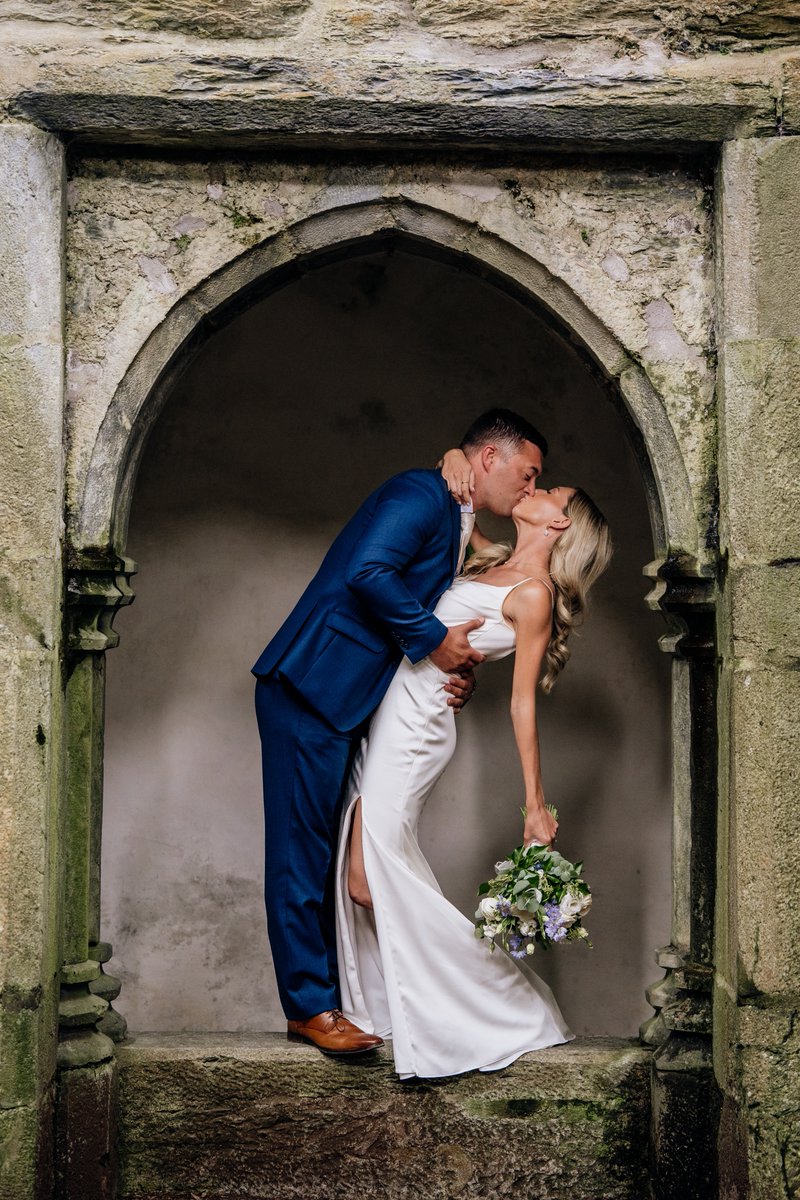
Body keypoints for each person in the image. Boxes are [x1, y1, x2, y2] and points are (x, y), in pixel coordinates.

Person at [252, 410, 548, 1057]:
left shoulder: (458, 517)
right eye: (527, 476)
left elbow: (418, 606)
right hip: (312, 685)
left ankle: (327, 1000)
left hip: (348, 698)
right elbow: (369, 573)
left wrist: (451, 664)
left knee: (327, 858)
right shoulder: (422, 493)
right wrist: (435, 641)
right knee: (301, 854)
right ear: (489, 460)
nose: (529, 492)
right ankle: (309, 1007)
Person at [336, 467, 612, 1079]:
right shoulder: (493, 562)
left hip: (416, 731)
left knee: (365, 881)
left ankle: (503, 1011)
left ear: (559, 522)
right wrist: (455, 454)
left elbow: (522, 704)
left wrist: (534, 803)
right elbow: (462, 506)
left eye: (549, 491)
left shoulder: (533, 595)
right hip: (392, 712)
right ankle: (406, 1013)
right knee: (361, 876)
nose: (535, 491)